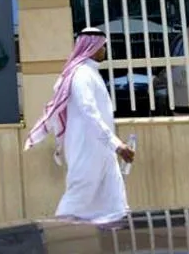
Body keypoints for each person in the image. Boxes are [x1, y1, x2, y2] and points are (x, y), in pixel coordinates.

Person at [24, 27, 135, 224]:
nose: (105, 50)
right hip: (87, 149)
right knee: (78, 197)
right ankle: (60, 235)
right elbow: (89, 112)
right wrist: (116, 144)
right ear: (93, 47)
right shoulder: (81, 75)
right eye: (103, 46)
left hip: (103, 150)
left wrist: (112, 146)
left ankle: (114, 234)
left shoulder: (91, 73)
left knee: (115, 200)